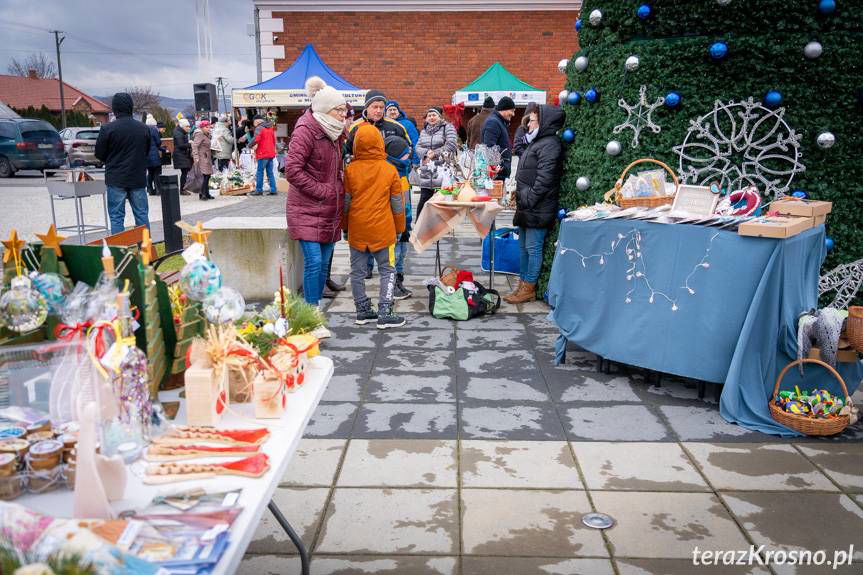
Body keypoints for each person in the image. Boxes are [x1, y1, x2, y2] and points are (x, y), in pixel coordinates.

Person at [285, 87, 347, 335]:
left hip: (329, 208)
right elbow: (292, 170)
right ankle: (310, 317)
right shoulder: (306, 130)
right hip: (307, 207)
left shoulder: (335, 132)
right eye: (339, 110)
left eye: (344, 110)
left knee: (323, 266)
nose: (344, 114)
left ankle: (315, 312)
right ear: (325, 110)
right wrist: (323, 191)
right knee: (314, 262)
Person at [343, 124, 406, 329]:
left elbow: (346, 202)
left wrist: (345, 227)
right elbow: (397, 204)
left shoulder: (350, 170)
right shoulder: (389, 169)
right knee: (388, 270)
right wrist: (400, 228)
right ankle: (385, 311)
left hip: (357, 228)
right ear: (380, 143)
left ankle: (362, 310)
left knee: (357, 272)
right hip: (383, 228)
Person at [504, 105, 565, 304]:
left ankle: (528, 288)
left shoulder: (550, 144)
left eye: (532, 121)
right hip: (527, 204)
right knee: (522, 247)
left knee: (533, 248)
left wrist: (529, 197)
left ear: (543, 122)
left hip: (538, 205)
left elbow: (545, 177)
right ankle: (522, 284)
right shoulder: (536, 142)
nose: (528, 125)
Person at [94, 92, 151, 235]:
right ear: (131, 107)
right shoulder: (143, 128)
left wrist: (112, 159)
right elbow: (146, 150)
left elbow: (99, 154)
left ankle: (119, 247)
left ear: (114, 109)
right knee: (142, 215)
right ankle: (145, 246)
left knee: (116, 217)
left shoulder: (107, 129)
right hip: (137, 177)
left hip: (116, 178)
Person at [414, 106, 458, 220]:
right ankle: (419, 227)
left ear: (440, 117)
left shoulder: (447, 127)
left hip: (443, 171)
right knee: (424, 199)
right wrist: (426, 153)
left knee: (442, 201)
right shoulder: (424, 131)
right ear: (426, 118)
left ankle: (440, 229)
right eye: (429, 115)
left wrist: (435, 153)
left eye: (434, 115)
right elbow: (417, 147)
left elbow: (452, 144)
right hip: (427, 172)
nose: (431, 117)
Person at [384, 135, 414, 300]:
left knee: (402, 253)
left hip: (405, 220)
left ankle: (399, 281)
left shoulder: (403, 169)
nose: (408, 156)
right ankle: (391, 286)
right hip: (393, 222)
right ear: (395, 155)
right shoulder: (390, 172)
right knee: (393, 255)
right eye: (405, 153)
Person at [345, 90, 410, 160]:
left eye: (381, 107)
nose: (378, 111)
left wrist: (403, 162)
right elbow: (346, 151)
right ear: (367, 107)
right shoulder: (355, 127)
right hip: (363, 165)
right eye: (375, 107)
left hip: (390, 166)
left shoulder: (396, 126)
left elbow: (409, 148)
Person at [481, 96, 516, 180]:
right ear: (504, 109)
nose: (513, 114)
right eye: (512, 111)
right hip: (496, 175)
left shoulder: (498, 121)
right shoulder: (493, 122)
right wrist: (498, 168)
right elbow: (489, 148)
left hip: (499, 173)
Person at [250, 114, 277, 196]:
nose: (254, 124)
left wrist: (249, 145)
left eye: (254, 122)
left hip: (262, 153)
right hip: (270, 154)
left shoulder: (259, 128)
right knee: (270, 173)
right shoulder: (270, 128)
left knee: (260, 172)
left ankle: (258, 190)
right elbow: (274, 141)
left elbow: (255, 139)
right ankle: (273, 189)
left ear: (257, 121)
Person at [191, 119, 215, 201]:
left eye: (209, 127)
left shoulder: (206, 134)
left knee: (208, 176)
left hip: (207, 157)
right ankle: (203, 194)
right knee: (204, 176)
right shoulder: (200, 134)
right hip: (202, 157)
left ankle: (206, 193)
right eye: (206, 127)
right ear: (202, 127)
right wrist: (196, 157)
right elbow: (194, 146)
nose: (208, 128)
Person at [172, 118, 193, 195]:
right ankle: (182, 189)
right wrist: (190, 144)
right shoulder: (179, 134)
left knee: (185, 172)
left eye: (189, 126)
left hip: (182, 155)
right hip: (181, 155)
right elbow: (180, 145)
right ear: (182, 126)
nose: (188, 128)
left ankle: (183, 188)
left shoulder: (180, 132)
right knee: (184, 172)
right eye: (187, 126)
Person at [144, 114, 163, 196]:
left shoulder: (143, 129)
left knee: (150, 172)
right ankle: (158, 190)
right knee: (157, 172)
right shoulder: (154, 129)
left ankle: (150, 189)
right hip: (154, 154)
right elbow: (158, 142)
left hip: (146, 155)